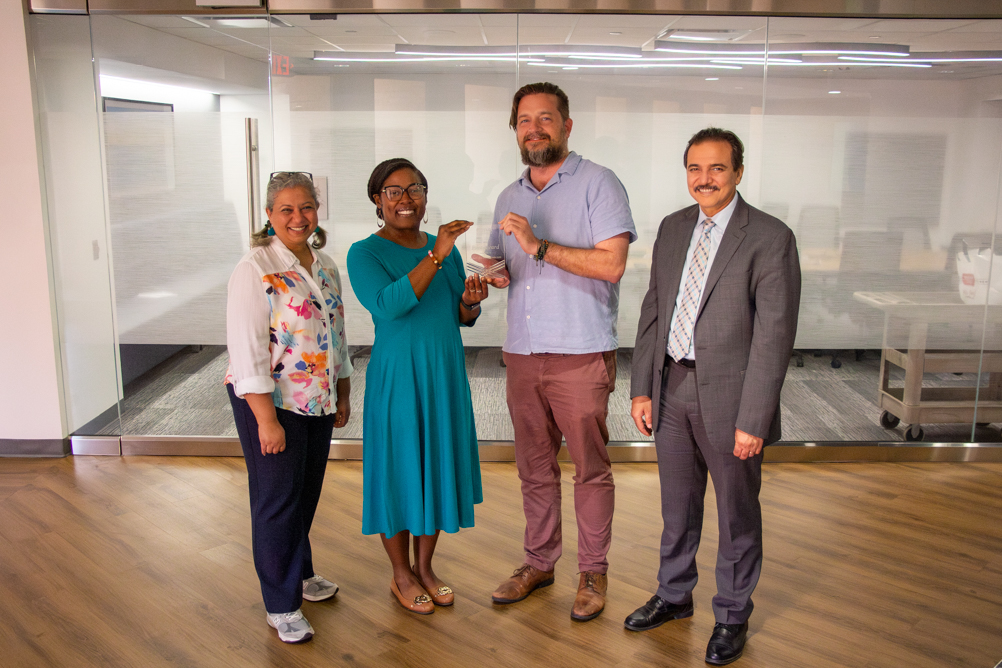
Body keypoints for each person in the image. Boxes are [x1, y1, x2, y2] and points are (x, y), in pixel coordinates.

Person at [625, 128, 801, 665]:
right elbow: (654, 308)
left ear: (739, 172)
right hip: (671, 385)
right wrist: (641, 387)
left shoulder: (770, 237)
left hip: (731, 397)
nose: (705, 179)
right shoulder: (674, 227)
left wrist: (755, 418)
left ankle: (731, 614)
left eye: (717, 168)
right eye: (695, 169)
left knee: (736, 511)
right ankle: (675, 595)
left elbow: (774, 336)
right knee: (677, 506)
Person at [485, 82, 636, 622]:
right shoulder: (508, 197)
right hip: (524, 355)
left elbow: (611, 265)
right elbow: (504, 265)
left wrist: (538, 246)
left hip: (580, 352)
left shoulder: (599, 184)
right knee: (533, 469)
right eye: (524, 120)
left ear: (567, 126)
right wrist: (490, 277)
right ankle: (539, 562)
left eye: (545, 118)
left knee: (590, 469)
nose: (534, 129)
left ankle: (592, 573)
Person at [347, 158, 487, 616]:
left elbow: (455, 315)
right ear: (377, 200)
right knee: (400, 472)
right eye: (393, 191)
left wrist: (469, 303)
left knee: (435, 469)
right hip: (399, 376)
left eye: (414, 189)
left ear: (425, 196)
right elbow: (390, 306)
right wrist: (436, 255)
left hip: (443, 373)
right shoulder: (364, 253)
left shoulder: (442, 248)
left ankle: (425, 568)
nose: (405, 199)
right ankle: (401, 574)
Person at [225, 171, 353, 644]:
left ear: (317, 210)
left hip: (316, 397)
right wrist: (265, 418)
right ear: (269, 214)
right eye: (286, 209)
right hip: (270, 401)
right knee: (277, 500)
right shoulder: (255, 267)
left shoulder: (325, 265)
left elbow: (336, 334)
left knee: (306, 492)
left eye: (306, 208)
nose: (298, 218)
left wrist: (342, 391)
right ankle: (281, 605)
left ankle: (299, 573)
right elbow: (247, 348)